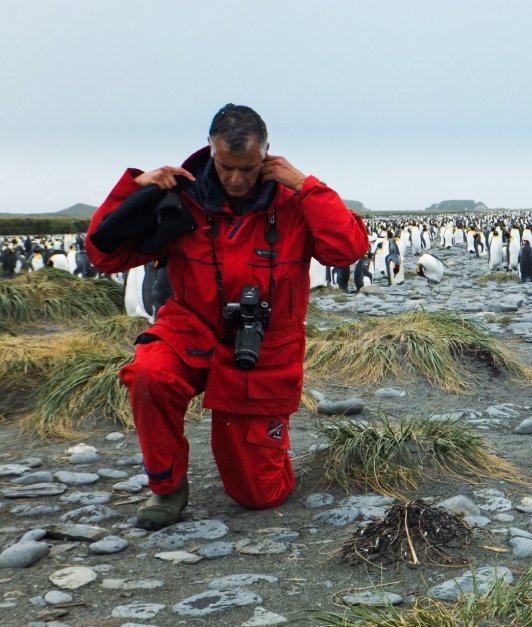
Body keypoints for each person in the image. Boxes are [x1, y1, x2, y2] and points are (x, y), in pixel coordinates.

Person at [86, 104, 369, 529]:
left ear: (268, 154)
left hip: (263, 348)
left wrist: (309, 187)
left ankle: (267, 445)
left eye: (249, 168)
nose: (236, 179)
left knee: (259, 496)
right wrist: (135, 190)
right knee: (149, 374)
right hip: (190, 329)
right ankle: (167, 487)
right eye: (225, 166)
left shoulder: (294, 202)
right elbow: (104, 256)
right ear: (210, 151)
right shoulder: (180, 199)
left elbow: (348, 250)